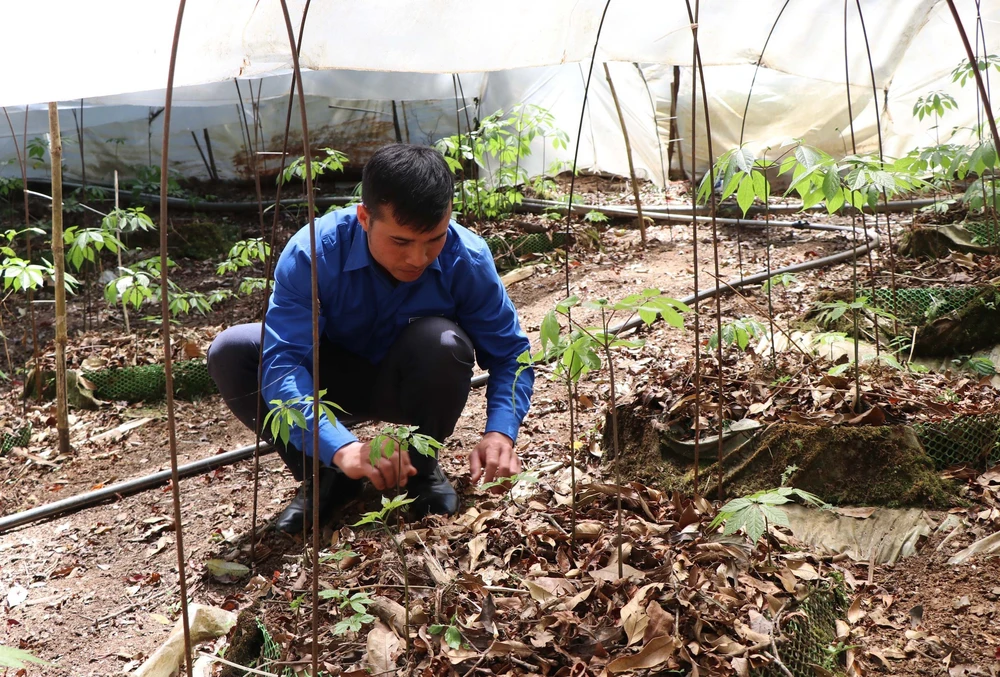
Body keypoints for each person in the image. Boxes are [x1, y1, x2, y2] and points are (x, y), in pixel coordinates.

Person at [207, 144, 534, 533]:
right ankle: (324, 473)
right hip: (328, 382)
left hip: (410, 383)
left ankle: (420, 468)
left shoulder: (468, 258)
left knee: (444, 342)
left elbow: (510, 353)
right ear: (364, 217)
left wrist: (500, 432)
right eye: (401, 242)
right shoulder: (314, 253)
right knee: (233, 351)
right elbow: (285, 363)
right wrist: (339, 447)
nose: (418, 258)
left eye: (434, 238)